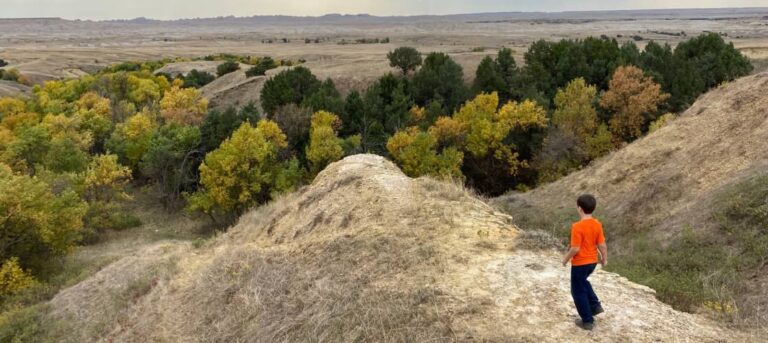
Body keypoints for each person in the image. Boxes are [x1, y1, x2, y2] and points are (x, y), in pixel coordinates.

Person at [561, 194, 608, 330]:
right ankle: (595, 305)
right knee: (583, 282)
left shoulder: (577, 226)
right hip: (592, 262)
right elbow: (602, 244)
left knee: (577, 291)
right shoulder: (597, 224)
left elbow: (575, 248)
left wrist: (565, 259)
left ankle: (587, 321)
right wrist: (604, 258)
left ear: (579, 209)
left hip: (580, 263)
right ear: (593, 208)